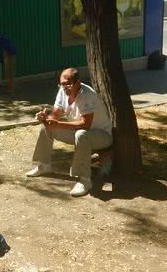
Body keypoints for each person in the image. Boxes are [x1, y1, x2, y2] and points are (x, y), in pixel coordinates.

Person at [26, 68, 113, 197]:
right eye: (62, 84)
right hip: (81, 133)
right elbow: (56, 114)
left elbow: (86, 124)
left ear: (78, 83)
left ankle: (85, 180)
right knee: (46, 127)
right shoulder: (63, 91)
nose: (65, 87)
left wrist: (60, 124)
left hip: (102, 136)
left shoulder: (86, 94)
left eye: (68, 84)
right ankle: (44, 166)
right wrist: (45, 118)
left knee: (81, 134)